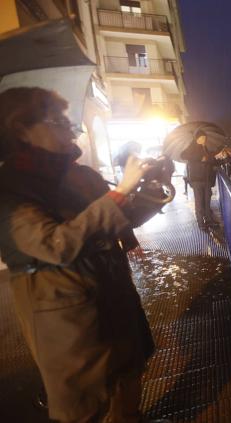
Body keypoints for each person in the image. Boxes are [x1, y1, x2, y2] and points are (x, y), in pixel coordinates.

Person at [0, 87, 161, 423]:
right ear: (21, 130)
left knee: (129, 371)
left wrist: (153, 188)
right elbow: (54, 244)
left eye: (67, 121)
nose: (69, 128)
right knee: (83, 398)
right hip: (61, 303)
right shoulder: (9, 187)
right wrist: (118, 193)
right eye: (57, 120)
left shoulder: (80, 174)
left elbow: (120, 218)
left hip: (113, 287)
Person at [181, 132, 218, 229]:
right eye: (201, 138)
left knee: (207, 201)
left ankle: (209, 220)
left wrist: (219, 159)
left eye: (204, 138)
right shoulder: (192, 147)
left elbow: (209, 161)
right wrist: (199, 158)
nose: (203, 140)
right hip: (197, 179)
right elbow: (183, 155)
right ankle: (201, 223)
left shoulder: (205, 148)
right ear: (196, 139)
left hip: (206, 179)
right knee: (199, 202)